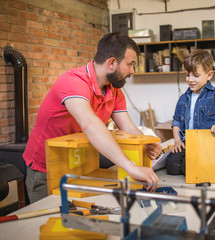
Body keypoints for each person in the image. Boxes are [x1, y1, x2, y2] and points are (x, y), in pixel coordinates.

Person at [23, 32, 162, 203]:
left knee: (76, 222)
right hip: (46, 170)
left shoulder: (114, 90)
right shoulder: (73, 81)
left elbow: (128, 127)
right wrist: (131, 168)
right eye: (130, 64)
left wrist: (145, 142)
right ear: (111, 63)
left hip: (80, 165)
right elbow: (89, 124)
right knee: (47, 223)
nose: (132, 71)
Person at [166, 49, 215, 175]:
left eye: (196, 75)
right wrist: (177, 140)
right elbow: (176, 122)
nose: (190, 80)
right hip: (188, 142)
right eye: (187, 75)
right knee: (171, 166)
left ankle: (203, 164)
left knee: (189, 167)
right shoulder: (183, 98)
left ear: (209, 75)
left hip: (208, 144)